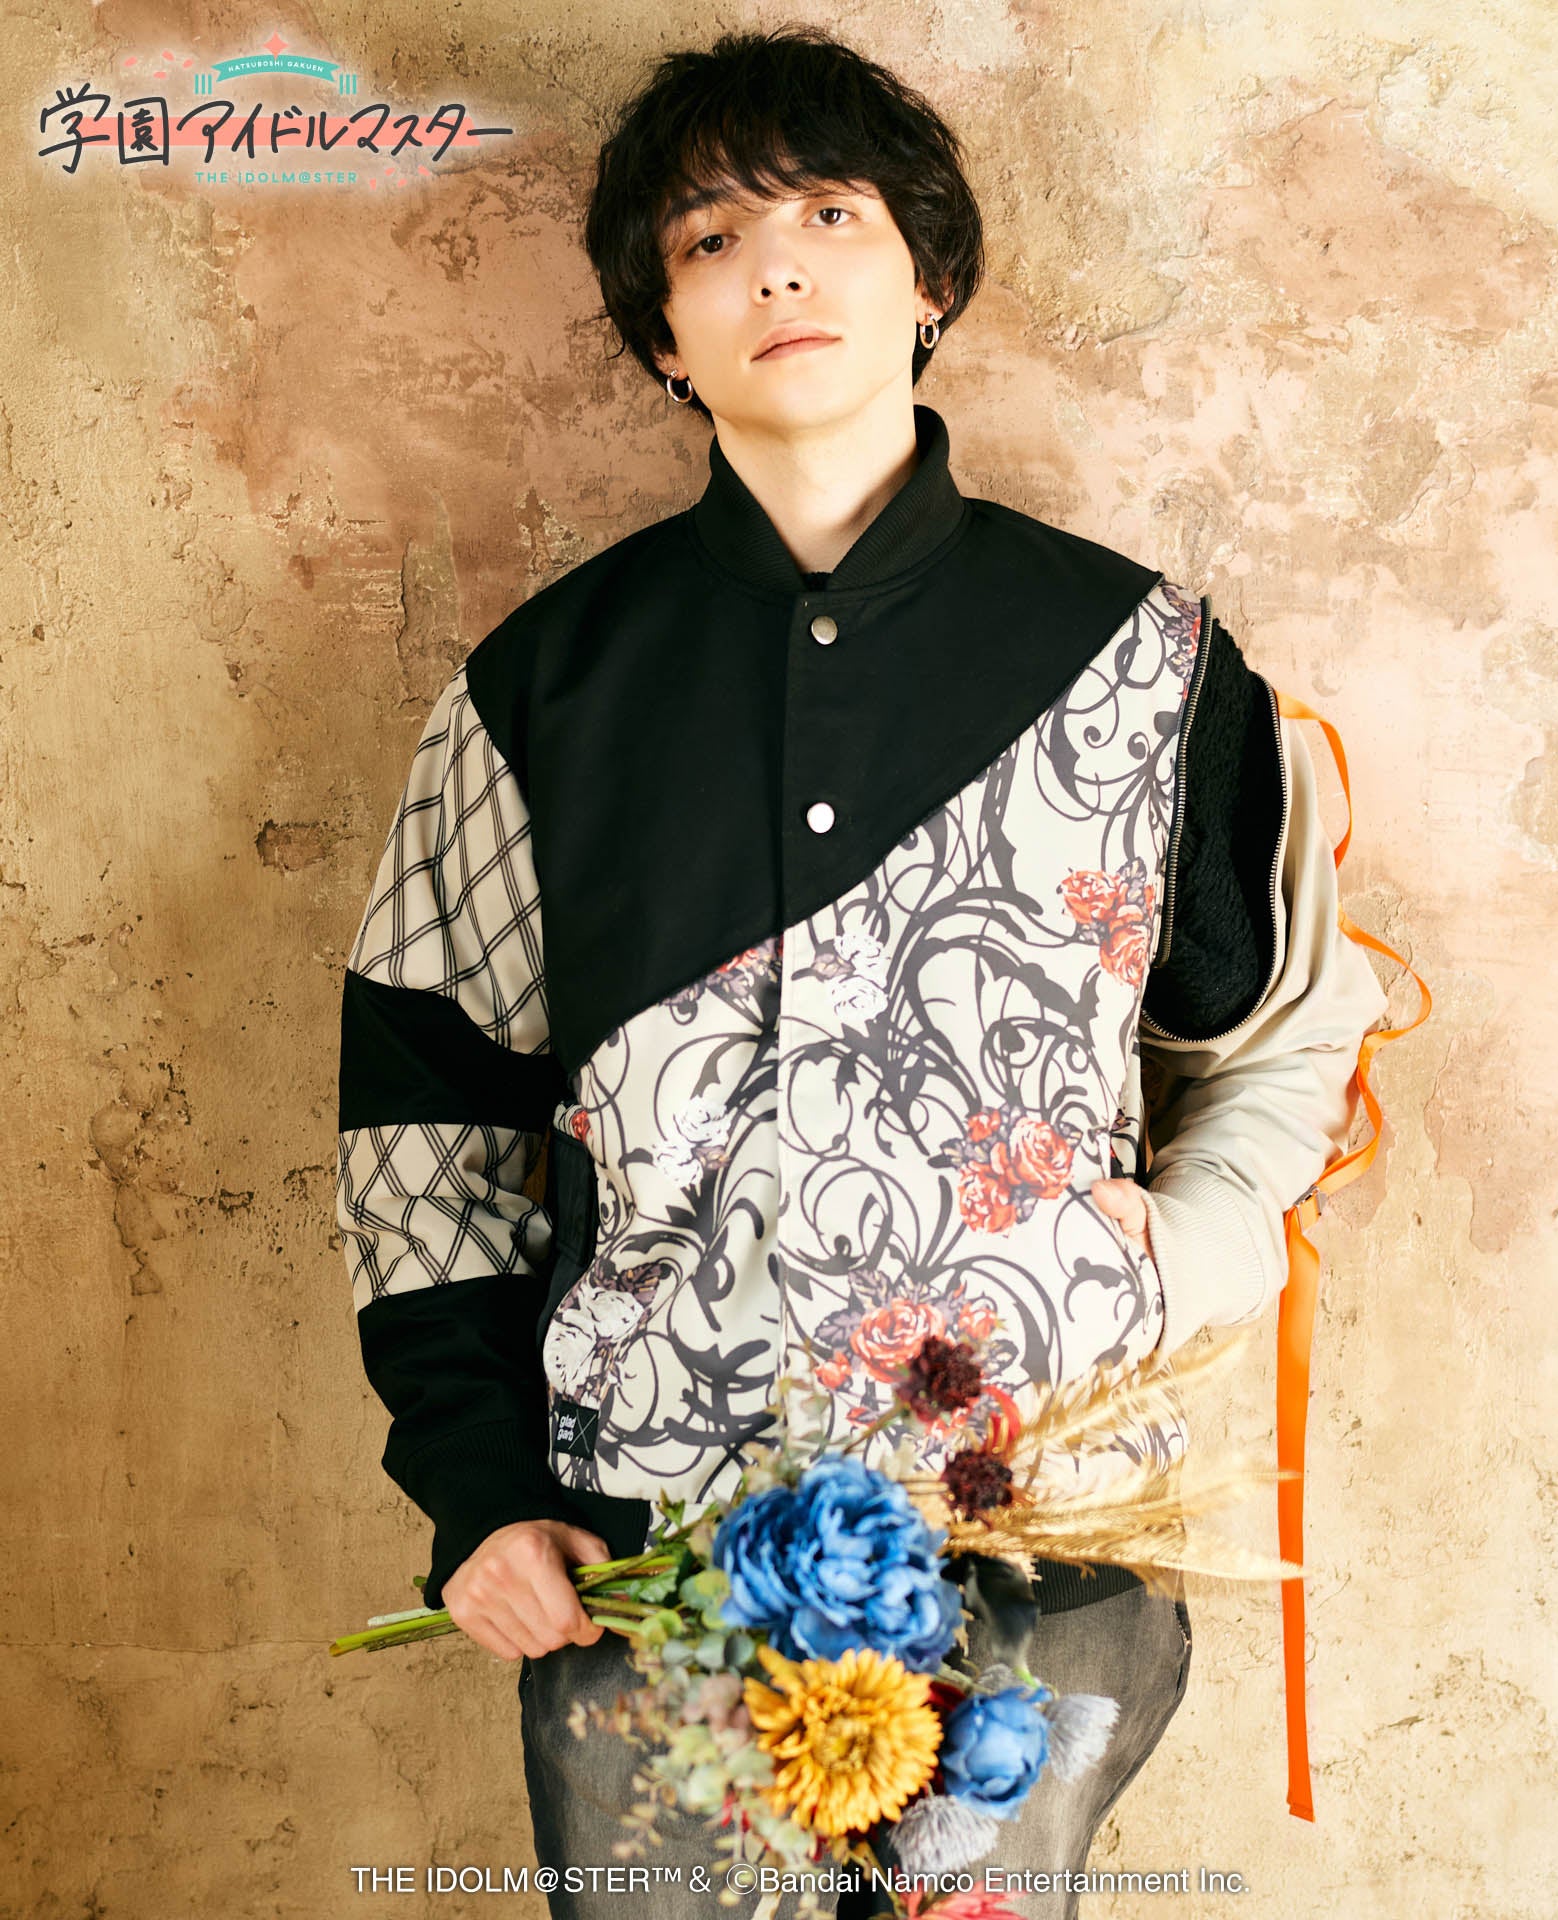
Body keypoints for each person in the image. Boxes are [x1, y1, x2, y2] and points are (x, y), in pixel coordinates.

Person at [334, 27, 1390, 1920]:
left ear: (931, 280)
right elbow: (424, 1121)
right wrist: (481, 1491)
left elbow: (1282, 1027)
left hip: (1048, 1524)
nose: (779, 271)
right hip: (651, 1545)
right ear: (666, 335)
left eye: (832, 216)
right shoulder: (542, 691)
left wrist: (1204, 1243)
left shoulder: (1140, 664)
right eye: (712, 241)